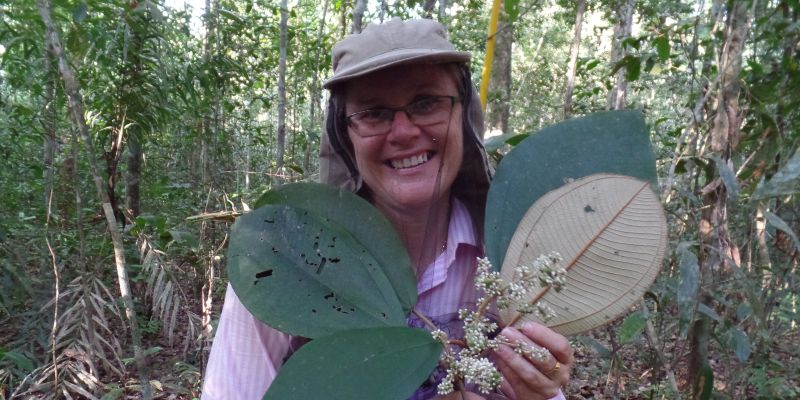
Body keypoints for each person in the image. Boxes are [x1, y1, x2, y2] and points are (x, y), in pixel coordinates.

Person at [202, 18, 573, 400]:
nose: (403, 132)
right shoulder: (286, 262)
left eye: (426, 103)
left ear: (462, 115)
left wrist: (540, 391)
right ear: (345, 135)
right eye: (373, 112)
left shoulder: (510, 262)